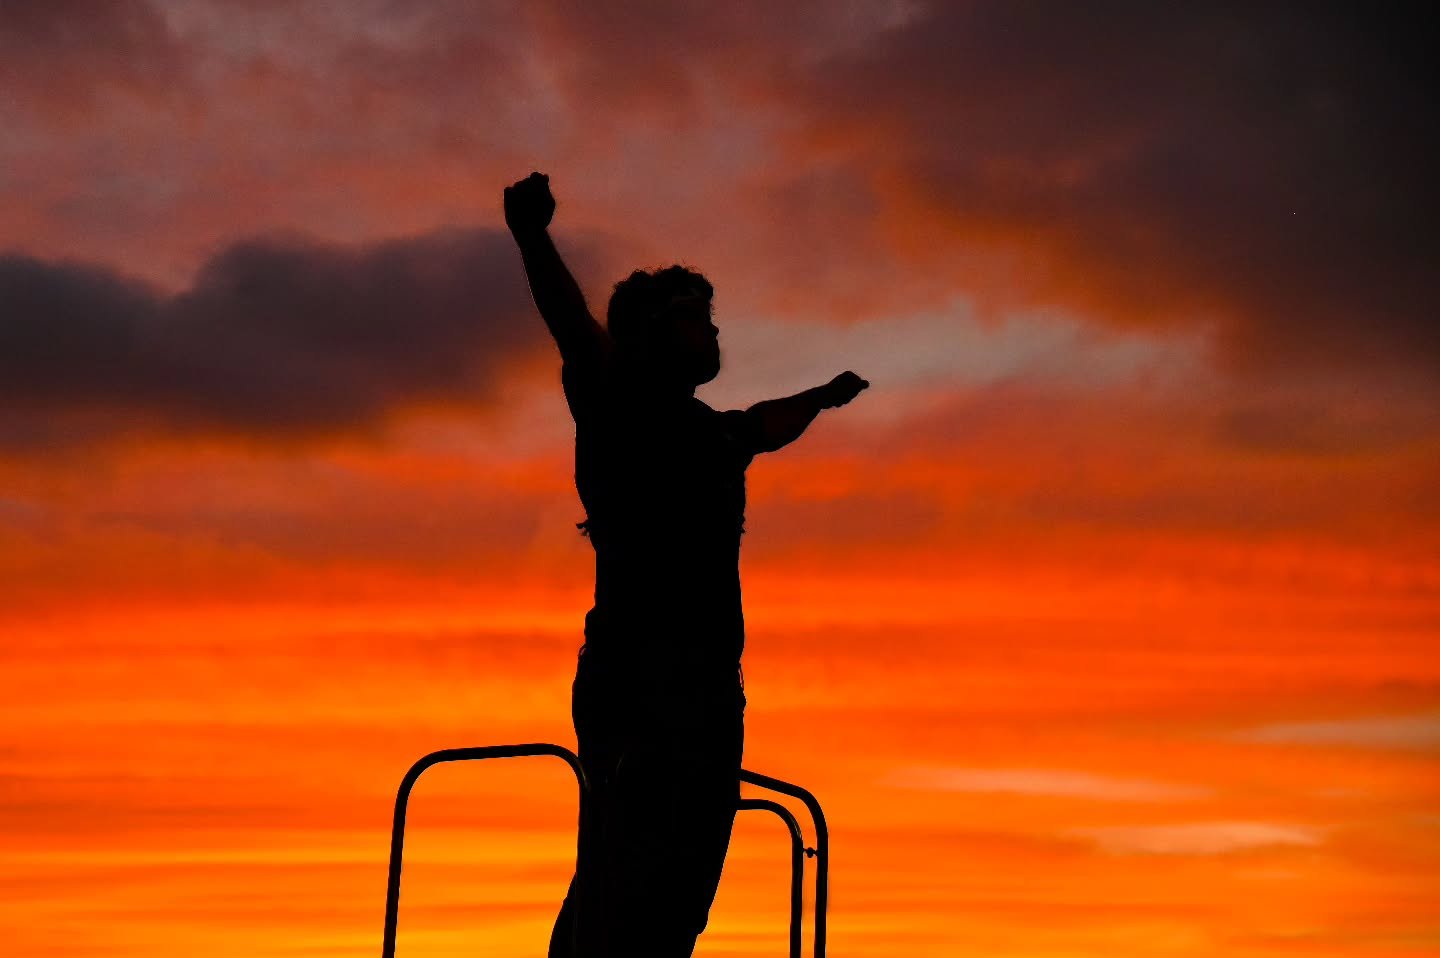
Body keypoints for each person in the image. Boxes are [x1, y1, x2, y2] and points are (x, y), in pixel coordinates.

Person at [504, 171, 867, 957]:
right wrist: (532, 236)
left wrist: (821, 396)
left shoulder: (713, 433)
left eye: (711, 318)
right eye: (695, 320)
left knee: (676, 900)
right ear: (650, 335)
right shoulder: (615, 405)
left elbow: (764, 426)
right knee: (622, 885)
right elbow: (572, 327)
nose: (712, 333)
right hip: (638, 683)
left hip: (710, 691)